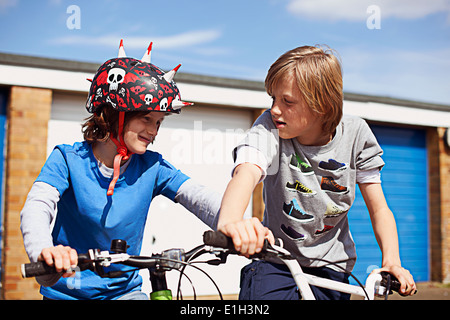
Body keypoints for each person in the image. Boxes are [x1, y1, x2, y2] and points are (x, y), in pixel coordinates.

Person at [20, 40, 220, 300]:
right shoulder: (67, 159)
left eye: (158, 122)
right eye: (146, 118)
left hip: (124, 293)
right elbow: (37, 206)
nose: (153, 131)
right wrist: (44, 251)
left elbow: (199, 196)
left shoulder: (153, 166)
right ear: (114, 112)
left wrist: (236, 224)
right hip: (67, 292)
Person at [217, 45, 417, 300]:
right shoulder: (270, 128)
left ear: (321, 105)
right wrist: (231, 221)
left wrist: (392, 261)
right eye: (273, 99)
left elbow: (379, 209)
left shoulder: (356, 135)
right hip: (277, 259)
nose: (275, 109)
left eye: (287, 101)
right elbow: (246, 171)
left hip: (332, 265)